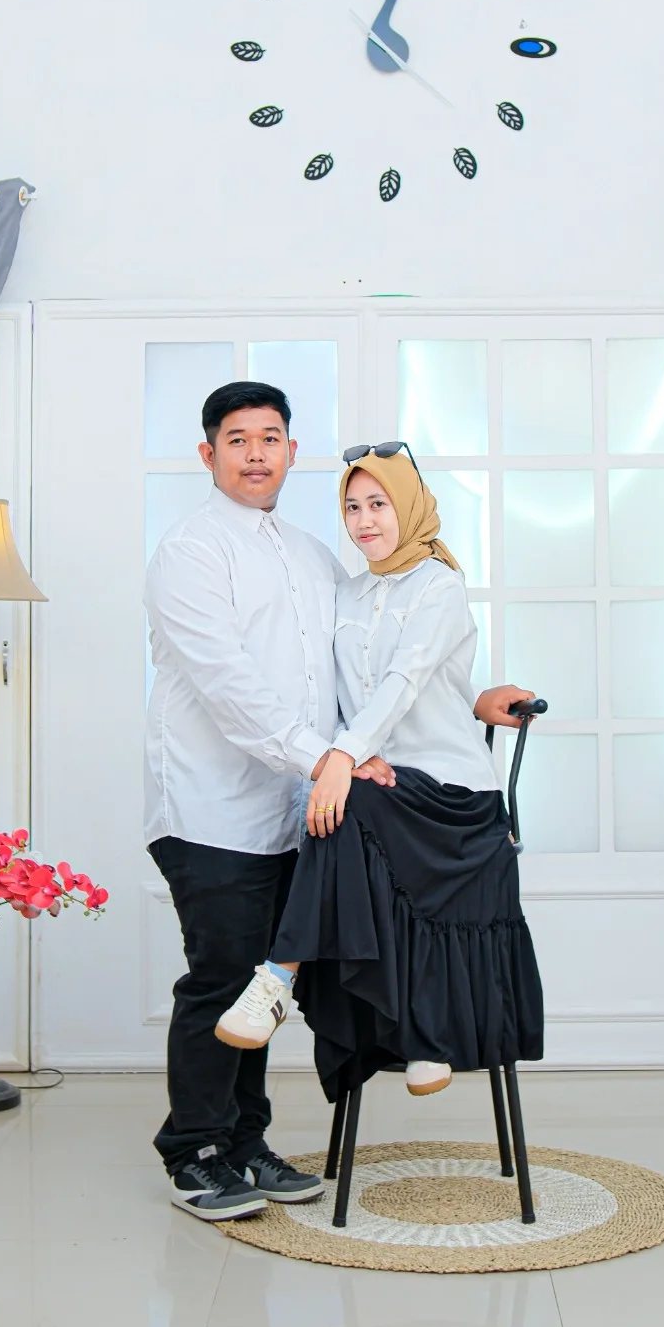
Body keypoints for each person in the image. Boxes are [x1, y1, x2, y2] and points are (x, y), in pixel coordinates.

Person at [144, 388, 533, 1221]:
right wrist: (328, 758)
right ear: (208, 454)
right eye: (237, 440)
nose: (256, 453)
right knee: (223, 978)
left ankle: (245, 1142)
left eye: (270, 438)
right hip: (213, 806)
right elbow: (228, 686)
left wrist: (464, 700)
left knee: (265, 983)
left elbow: (369, 670)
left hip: (304, 810)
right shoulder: (189, 553)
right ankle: (194, 1152)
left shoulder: (315, 556)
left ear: (292, 451)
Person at [215, 445, 544, 1101]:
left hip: (452, 794)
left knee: (345, 804)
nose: (364, 521)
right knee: (347, 806)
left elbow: (405, 679)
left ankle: (278, 976)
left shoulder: (440, 586)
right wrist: (351, 754)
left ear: (410, 507)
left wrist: (340, 758)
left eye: (378, 504)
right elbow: (341, 691)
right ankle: (419, 1033)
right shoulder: (347, 593)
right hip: (381, 780)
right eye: (352, 507)